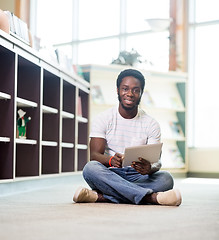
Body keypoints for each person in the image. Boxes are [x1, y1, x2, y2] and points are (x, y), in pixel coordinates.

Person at [73, 69, 182, 206]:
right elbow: (94, 156)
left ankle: (101, 197)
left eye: (136, 90)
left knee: (166, 179)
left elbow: (157, 162)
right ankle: (151, 198)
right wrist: (111, 160)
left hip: (138, 175)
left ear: (141, 93)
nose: (130, 94)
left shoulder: (151, 123)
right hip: (111, 174)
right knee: (90, 169)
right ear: (117, 90)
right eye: (125, 89)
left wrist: (150, 168)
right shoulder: (103, 118)